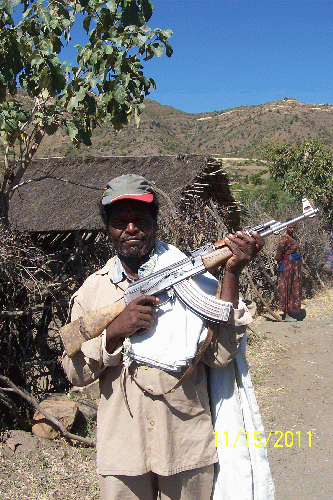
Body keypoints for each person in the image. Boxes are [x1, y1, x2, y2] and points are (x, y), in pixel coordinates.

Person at [62, 174, 265, 500]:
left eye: (141, 219)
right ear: (108, 230)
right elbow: (76, 373)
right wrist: (115, 331)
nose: (131, 228)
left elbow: (221, 357)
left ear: (155, 223)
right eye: (120, 222)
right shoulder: (94, 291)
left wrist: (231, 273)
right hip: (123, 452)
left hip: (185, 444)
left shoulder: (190, 275)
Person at [274, 224, 302, 321]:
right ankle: (285, 314)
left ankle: (291, 311)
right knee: (286, 288)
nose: (292, 229)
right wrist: (282, 264)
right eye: (290, 227)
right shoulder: (284, 238)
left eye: (294, 227)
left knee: (294, 287)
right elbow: (278, 254)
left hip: (295, 267)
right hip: (287, 267)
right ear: (286, 227)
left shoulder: (294, 238)